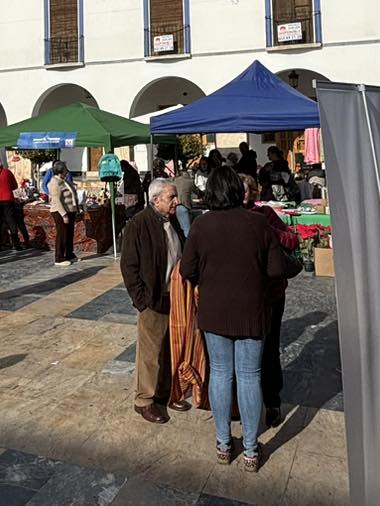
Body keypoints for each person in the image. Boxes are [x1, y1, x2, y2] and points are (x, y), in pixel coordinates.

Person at [180, 167, 285, 471]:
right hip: (251, 311)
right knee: (249, 376)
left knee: (222, 374)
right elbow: (277, 269)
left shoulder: (201, 225)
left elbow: (187, 270)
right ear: (239, 192)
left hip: (214, 312)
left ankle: (224, 444)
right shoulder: (258, 223)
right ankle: (251, 450)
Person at [120, 177, 186, 424]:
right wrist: (141, 299)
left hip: (174, 296)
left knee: (170, 348)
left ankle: (165, 393)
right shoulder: (139, 224)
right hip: (153, 298)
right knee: (150, 352)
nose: (176, 202)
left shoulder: (172, 220)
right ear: (155, 199)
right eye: (171, 197)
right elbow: (128, 265)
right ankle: (144, 400)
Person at [240, 173, 295, 427]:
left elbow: (291, 239)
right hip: (244, 294)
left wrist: (268, 231)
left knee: (271, 348)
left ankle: (272, 401)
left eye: (247, 190)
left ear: (254, 193)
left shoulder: (265, 216)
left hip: (271, 293)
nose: (243, 195)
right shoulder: (230, 218)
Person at [48, 160, 79, 266]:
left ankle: (69, 254)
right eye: (65, 169)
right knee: (62, 234)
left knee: (69, 234)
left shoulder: (63, 180)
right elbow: (56, 200)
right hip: (61, 211)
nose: (67, 171)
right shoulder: (55, 182)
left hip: (70, 210)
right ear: (61, 170)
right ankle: (59, 258)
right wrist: (64, 214)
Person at [172, 168, 198, 238]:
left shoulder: (175, 181)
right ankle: (189, 247)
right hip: (183, 206)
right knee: (187, 231)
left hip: (173, 206)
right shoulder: (190, 181)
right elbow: (197, 192)